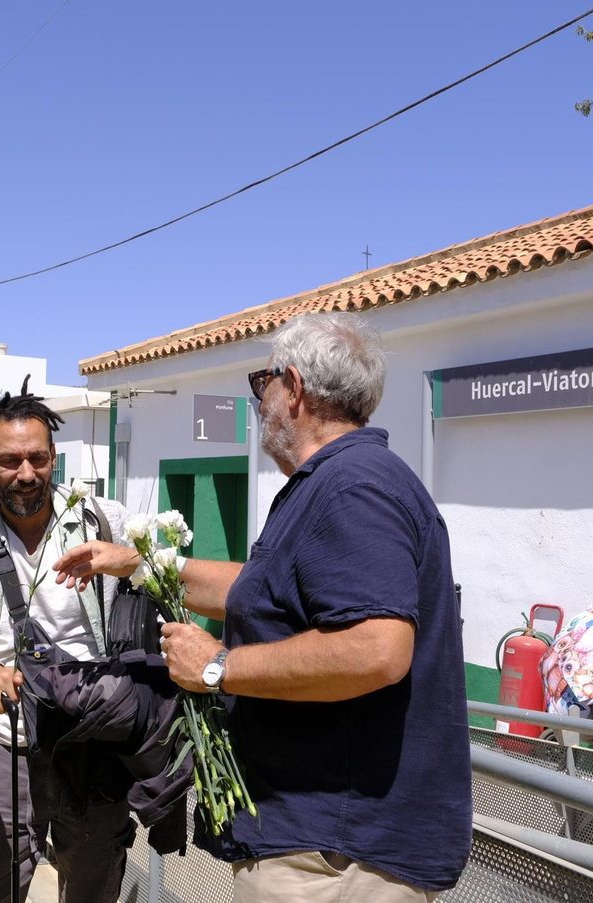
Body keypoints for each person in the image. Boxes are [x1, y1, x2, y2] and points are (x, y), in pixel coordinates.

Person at [54, 313, 471, 901]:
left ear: (294, 388)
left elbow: (377, 649)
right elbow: (258, 591)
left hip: (335, 854)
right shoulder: (334, 482)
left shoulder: (353, 488)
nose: (258, 402)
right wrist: (138, 563)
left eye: (262, 384)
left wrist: (218, 667)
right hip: (315, 842)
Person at [0, 383, 137, 903]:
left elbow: (170, 579)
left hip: (95, 750)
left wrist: (135, 563)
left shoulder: (105, 523)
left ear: (54, 457)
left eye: (37, 459)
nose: (25, 474)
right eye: (10, 460)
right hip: (6, 752)